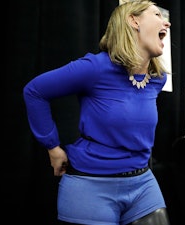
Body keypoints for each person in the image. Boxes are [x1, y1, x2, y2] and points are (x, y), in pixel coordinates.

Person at [23, 1, 171, 224]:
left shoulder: (157, 79)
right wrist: (52, 147)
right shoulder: (95, 67)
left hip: (143, 184)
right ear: (134, 21)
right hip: (91, 186)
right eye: (157, 14)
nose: (166, 22)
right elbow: (35, 91)